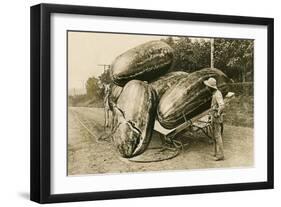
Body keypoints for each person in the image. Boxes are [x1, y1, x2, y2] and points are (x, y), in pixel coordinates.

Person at [204, 77, 225, 161]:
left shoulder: (217, 94)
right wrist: (211, 115)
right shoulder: (214, 93)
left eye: (208, 86)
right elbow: (214, 106)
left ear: (211, 87)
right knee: (214, 136)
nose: (207, 88)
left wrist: (218, 114)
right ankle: (216, 152)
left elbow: (222, 105)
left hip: (217, 118)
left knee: (218, 136)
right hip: (214, 117)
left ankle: (221, 155)